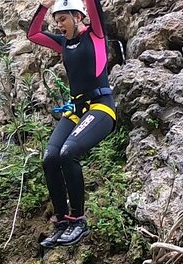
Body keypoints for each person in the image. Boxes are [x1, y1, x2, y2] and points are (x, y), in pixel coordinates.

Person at [27, 0, 117, 248]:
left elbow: (93, 4)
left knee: (68, 153)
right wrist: (44, 6)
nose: (58, 25)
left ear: (78, 17)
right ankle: (62, 222)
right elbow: (33, 34)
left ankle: (78, 220)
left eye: (63, 19)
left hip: (101, 106)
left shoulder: (96, 34)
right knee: (50, 157)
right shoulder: (63, 43)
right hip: (77, 110)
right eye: (56, 21)